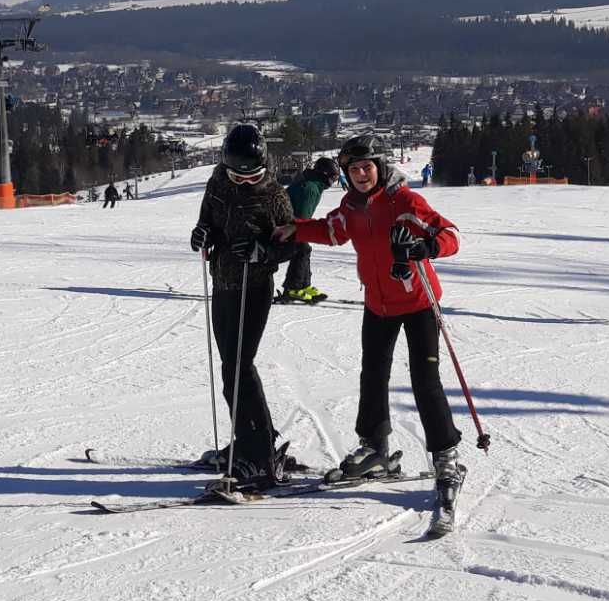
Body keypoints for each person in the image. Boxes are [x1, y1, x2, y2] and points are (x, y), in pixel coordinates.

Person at [281, 134, 468, 529]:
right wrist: (292, 230)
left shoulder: (405, 201)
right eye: (354, 170)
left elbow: (450, 234)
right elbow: (331, 231)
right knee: (373, 376)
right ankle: (375, 448)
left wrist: (428, 248)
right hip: (378, 305)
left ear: (379, 167)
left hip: (418, 303)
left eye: (367, 167)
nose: (362, 175)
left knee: (425, 380)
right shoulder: (350, 206)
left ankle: (446, 456)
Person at [189, 124, 295, 489]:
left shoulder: (275, 195)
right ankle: (252, 440)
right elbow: (207, 223)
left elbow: (295, 243)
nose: (245, 183)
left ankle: (256, 454)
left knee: (239, 366)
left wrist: (262, 252)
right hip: (224, 282)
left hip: (256, 286)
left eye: (253, 176)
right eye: (238, 176)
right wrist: (201, 235)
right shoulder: (217, 184)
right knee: (230, 366)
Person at [275, 156, 338, 304]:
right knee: (302, 248)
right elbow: (301, 219)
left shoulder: (312, 184)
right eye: (333, 177)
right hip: (279, 228)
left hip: (284, 225)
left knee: (304, 247)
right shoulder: (310, 188)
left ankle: (303, 285)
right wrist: (303, 231)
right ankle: (294, 288)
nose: (333, 181)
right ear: (324, 174)